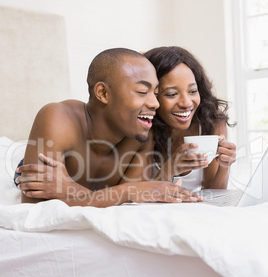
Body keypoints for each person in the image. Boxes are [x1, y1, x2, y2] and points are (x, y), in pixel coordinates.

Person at [15, 47, 202, 207]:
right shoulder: (58, 118)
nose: (155, 103)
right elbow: (34, 208)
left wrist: (70, 190)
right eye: (142, 92)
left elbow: (130, 206)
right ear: (103, 93)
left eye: (155, 93)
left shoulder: (141, 136)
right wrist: (129, 191)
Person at [143, 46, 236, 190]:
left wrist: (224, 166)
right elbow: (135, 197)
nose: (186, 103)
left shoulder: (212, 120)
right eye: (172, 94)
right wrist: (169, 170)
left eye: (193, 91)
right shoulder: (144, 127)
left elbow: (214, 195)